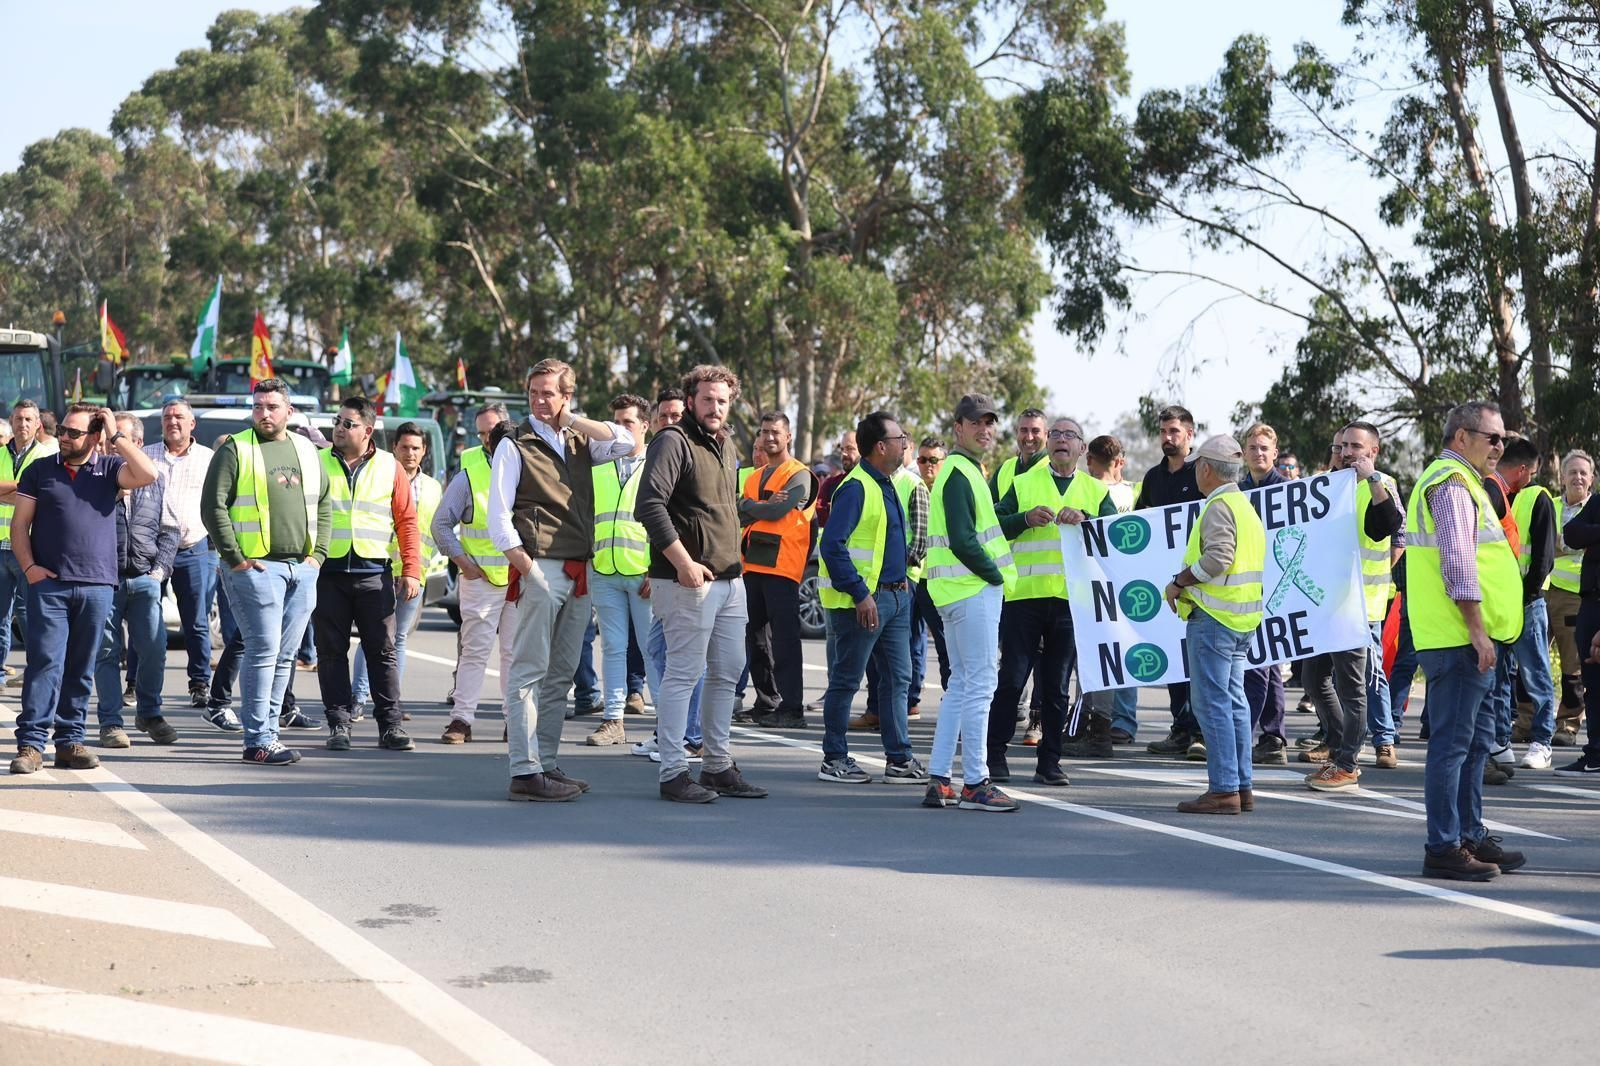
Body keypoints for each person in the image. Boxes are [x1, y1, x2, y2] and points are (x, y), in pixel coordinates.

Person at [492, 359, 633, 801]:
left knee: (561, 675)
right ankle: (524, 771)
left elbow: (627, 441)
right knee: (528, 672)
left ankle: (546, 763)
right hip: (542, 567)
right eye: (534, 392)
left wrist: (571, 421)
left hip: (579, 568)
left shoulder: (580, 440)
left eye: (549, 393)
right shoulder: (515, 444)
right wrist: (529, 571)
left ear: (567, 397)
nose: (539, 400)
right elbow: (499, 518)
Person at [636, 364, 767, 803]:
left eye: (722, 400)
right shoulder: (672, 441)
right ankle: (673, 772)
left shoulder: (726, 445)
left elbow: (721, 510)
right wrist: (684, 563)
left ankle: (716, 766)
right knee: (683, 675)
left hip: (730, 580)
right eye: (707, 399)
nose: (715, 407)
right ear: (690, 400)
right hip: (687, 581)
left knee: (726, 674)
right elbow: (649, 505)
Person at [1407, 401, 1526, 881]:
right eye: (1491, 437)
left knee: (1474, 746)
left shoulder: (1467, 483)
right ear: (1461, 437)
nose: (1499, 446)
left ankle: (1468, 834)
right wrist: (1477, 632)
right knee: (1453, 747)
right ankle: (1443, 846)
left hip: (1468, 639)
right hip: (1459, 639)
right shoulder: (1452, 483)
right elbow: (1458, 564)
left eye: (1503, 439)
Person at [8, 405, 159, 775]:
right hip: (50, 586)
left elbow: (148, 473)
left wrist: (116, 434)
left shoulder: (110, 469)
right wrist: (30, 568)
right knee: (45, 663)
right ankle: (31, 744)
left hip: (97, 586)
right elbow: (20, 525)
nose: (63, 437)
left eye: (73, 432)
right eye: (62, 429)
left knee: (80, 667)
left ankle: (69, 742)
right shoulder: (40, 470)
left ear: (94, 436)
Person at [203, 378, 332, 766]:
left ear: (288, 411)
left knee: (285, 655)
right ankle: (257, 739)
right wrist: (236, 559)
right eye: (257, 406)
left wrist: (317, 556)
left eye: (272, 407)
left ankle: (269, 733)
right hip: (256, 569)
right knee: (263, 650)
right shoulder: (236, 448)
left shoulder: (307, 449)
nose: (263, 413)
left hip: (301, 568)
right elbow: (212, 507)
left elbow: (324, 502)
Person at [990, 417, 1115, 779]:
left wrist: (1087, 519)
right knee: (1011, 681)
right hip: (1024, 599)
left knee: (1057, 688)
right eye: (1055, 434)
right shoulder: (1023, 483)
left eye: (1069, 435)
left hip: (1070, 603)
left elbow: (1114, 538)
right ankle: (994, 757)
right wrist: (1024, 519)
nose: (1062, 440)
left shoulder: (1096, 491)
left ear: (1081, 448)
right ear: (1047, 445)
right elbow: (995, 527)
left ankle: (1050, 763)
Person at [816, 411, 927, 784]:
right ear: (881, 446)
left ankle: (899, 759)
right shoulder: (856, 487)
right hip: (862, 604)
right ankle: (834, 758)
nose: (904, 444)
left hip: (895, 598)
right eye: (899, 439)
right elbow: (832, 546)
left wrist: (901, 584)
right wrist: (861, 594)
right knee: (846, 681)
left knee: (897, 680)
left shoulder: (888, 483)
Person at [922, 394, 1018, 812]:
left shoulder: (964, 471)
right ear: (958, 427)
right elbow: (963, 540)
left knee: (961, 685)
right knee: (980, 685)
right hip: (972, 589)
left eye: (989, 423)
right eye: (976, 423)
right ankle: (976, 783)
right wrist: (994, 576)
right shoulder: (960, 472)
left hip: (956, 591)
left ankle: (940, 777)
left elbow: (975, 532)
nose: (985, 430)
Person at [1164, 435, 1265, 815]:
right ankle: (1240, 786)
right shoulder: (1243, 505)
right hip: (1239, 619)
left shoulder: (1219, 506)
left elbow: (1218, 558)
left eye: (1197, 466)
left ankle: (1224, 790)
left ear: (1206, 468)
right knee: (1234, 702)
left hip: (1215, 619)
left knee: (1212, 704)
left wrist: (1179, 581)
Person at [313, 397, 421, 752]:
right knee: (330, 652)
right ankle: (339, 724)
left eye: (349, 424)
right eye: (337, 421)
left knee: (382, 651)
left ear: (368, 430)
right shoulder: (316, 462)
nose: (339, 428)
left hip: (373, 573)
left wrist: (411, 570)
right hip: (327, 573)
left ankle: (390, 726)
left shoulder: (390, 466)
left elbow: (407, 521)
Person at [1301, 422, 1404, 791]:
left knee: (1354, 688)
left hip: (1357, 608)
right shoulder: (1327, 484)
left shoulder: (1381, 484)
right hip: (1324, 603)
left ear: (1373, 452)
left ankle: (1348, 764)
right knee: (1313, 679)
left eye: (1355, 447)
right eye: (1342, 446)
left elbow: (1387, 526)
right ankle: (1337, 743)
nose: (1346, 453)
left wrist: (1371, 479)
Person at [93, 413, 180, 748]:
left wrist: (158, 572)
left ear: (138, 444)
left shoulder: (155, 479)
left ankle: (149, 713)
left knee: (154, 649)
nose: (112, 446)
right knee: (106, 652)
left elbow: (170, 530)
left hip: (144, 578)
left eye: (120, 439)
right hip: (105, 581)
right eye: (108, 440)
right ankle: (111, 723)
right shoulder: (95, 477)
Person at [432, 405, 516, 743]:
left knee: (515, 654)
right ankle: (461, 720)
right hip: (481, 580)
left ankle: (516, 722)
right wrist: (464, 563)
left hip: (520, 579)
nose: (487, 439)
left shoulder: (530, 465)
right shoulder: (470, 472)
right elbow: (441, 524)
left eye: (493, 430)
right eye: (481, 433)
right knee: (474, 652)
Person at [633, 388, 706, 763]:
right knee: (661, 652)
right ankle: (671, 733)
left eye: (676, 415)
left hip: (691, 575)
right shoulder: (662, 454)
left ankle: (689, 737)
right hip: (666, 573)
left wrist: (683, 564)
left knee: (688, 660)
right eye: (663, 416)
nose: (669, 422)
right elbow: (654, 516)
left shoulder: (694, 453)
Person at [351, 421, 442, 715]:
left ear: (424, 451)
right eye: (404, 447)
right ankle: (358, 698)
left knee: (398, 638)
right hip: (379, 569)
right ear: (394, 448)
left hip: (414, 574)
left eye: (415, 448)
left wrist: (420, 567)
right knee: (373, 635)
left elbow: (435, 529)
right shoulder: (381, 478)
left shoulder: (433, 487)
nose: (410, 453)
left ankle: (392, 701)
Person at [1483, 438, 1558, 771]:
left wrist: (1524, 595)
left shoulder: (1537, 497)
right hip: (1498, 604)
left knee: (1535, 674)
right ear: (1523, 469)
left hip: (1527, 603)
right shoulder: (1492, 491)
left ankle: (1542, 741)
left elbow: (1543, 558)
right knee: (1498, 676)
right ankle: (1500, 741)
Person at [585, 393, 653, 747]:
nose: (620, 430)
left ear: (645, 426)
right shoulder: (599, 466)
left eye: (628, 422)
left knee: (653, 650)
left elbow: (671, 520)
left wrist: (658, 569)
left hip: (645, 575)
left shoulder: (657, 464)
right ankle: (613, 720)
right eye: (615, 423)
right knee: (612, 648)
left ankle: (669, 728)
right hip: (604, 571)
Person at [1137, 405, 1205, 757]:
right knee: (1174, 657)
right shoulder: (1153, 477)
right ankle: (1181, 729)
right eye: (1163, 431)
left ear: (1189, 434)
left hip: (1202, 582)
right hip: (1169, 586)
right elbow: (1138, 523)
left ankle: (1202, 733)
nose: (1167, 437)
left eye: (1174, 431)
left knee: (1200, 663)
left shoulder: (1203, 472)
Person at [741, 412, 816, 729]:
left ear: (788, 437)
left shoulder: (800, 475)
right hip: (751, 564)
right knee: (755, 639)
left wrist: (751, 506)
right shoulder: (753, 477)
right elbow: (739, 512)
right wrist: (759, 506)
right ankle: (767, 702)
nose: (769, 437)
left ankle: (792, 708)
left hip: (783, 567)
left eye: (775, 432)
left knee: (785, 641)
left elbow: (777, 511)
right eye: (764, 431)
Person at [852, 441, 931, 731]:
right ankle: (876, 709)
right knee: (874, 654)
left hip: (903, 581)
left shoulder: (912, 484)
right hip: (874, 582)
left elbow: (920, 540)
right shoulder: (868, 481)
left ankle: (899, 716)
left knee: (900, 657)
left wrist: (896, 570)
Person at [144, 399, 217, 708]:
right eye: (167, 417)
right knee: (144, 618)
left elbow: (219, 502)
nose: (172, 421)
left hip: (193, 548)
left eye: (178, 417)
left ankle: (200, 684)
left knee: (196, 622)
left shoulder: (208, 458)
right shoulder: (146, 455)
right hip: (151, 549)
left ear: (192, 424)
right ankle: (136, 682)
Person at [1237, 422, 1290, 766]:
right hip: (1244, 588)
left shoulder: (1286, 490)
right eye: (1253, 448)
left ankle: (1253, 736)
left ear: (1275, 453)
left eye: (1264, 448)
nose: (1258, 453)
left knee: (1262, 663)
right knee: (1262, 665)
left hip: (1277, 587)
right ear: (1244, 453)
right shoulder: (1236, 491)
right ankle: (1272, 737)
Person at [1086, 434, 1140, 746]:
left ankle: (1110, 719)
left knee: (1110, 650)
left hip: (1111, 581)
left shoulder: (1130, 491)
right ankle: (1115, 720)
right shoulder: (1128, 492)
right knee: (1117, 650)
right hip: (1111, 581)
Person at [0, 400, 58, 678]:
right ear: (11, 422)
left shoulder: (48, 456)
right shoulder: (1, 453)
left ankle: (36, 672)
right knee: (0, 617)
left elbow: (44, 494)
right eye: (18, 418)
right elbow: (30, 492)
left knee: (32, 615)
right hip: (0, 546)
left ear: (38, 425)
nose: (22, 424)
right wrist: (24, 490)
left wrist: (9, 492)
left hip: (29, 547)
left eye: (27, 419)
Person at [1553, 470, 1600, 777]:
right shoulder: (1597, 503)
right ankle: (1595, 752)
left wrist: (1592, 536)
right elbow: (1572, 533)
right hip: (1590, 603)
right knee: (1592, 682)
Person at [1548, 450, 1592, 747]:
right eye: (1572, 472)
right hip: (1540, 590)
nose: (1578, 477)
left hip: (1575, 595)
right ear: (1561, 477)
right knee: (1530, 662)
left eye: (1583, 473)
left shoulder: (1595, 510)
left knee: (1572, 666)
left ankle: (1568, 725)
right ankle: (1526, 722)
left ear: (1592, 479)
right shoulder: (1549, 505)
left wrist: (1560, 544)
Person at [990, 408, 1047, 501]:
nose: (1029, 437)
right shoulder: (1004, 469)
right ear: (1017, 432)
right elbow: (989, 507)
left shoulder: (1056, 468)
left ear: (1046, 434)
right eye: (1024, 430)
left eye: (1035, 431)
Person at [813, 430, 859, 527]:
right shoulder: (831, 483)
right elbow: (817, 513)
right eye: (842, 449)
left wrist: (835, 508)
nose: (844, 454)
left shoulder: (876, 481)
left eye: (849, 448)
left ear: (863, 449)